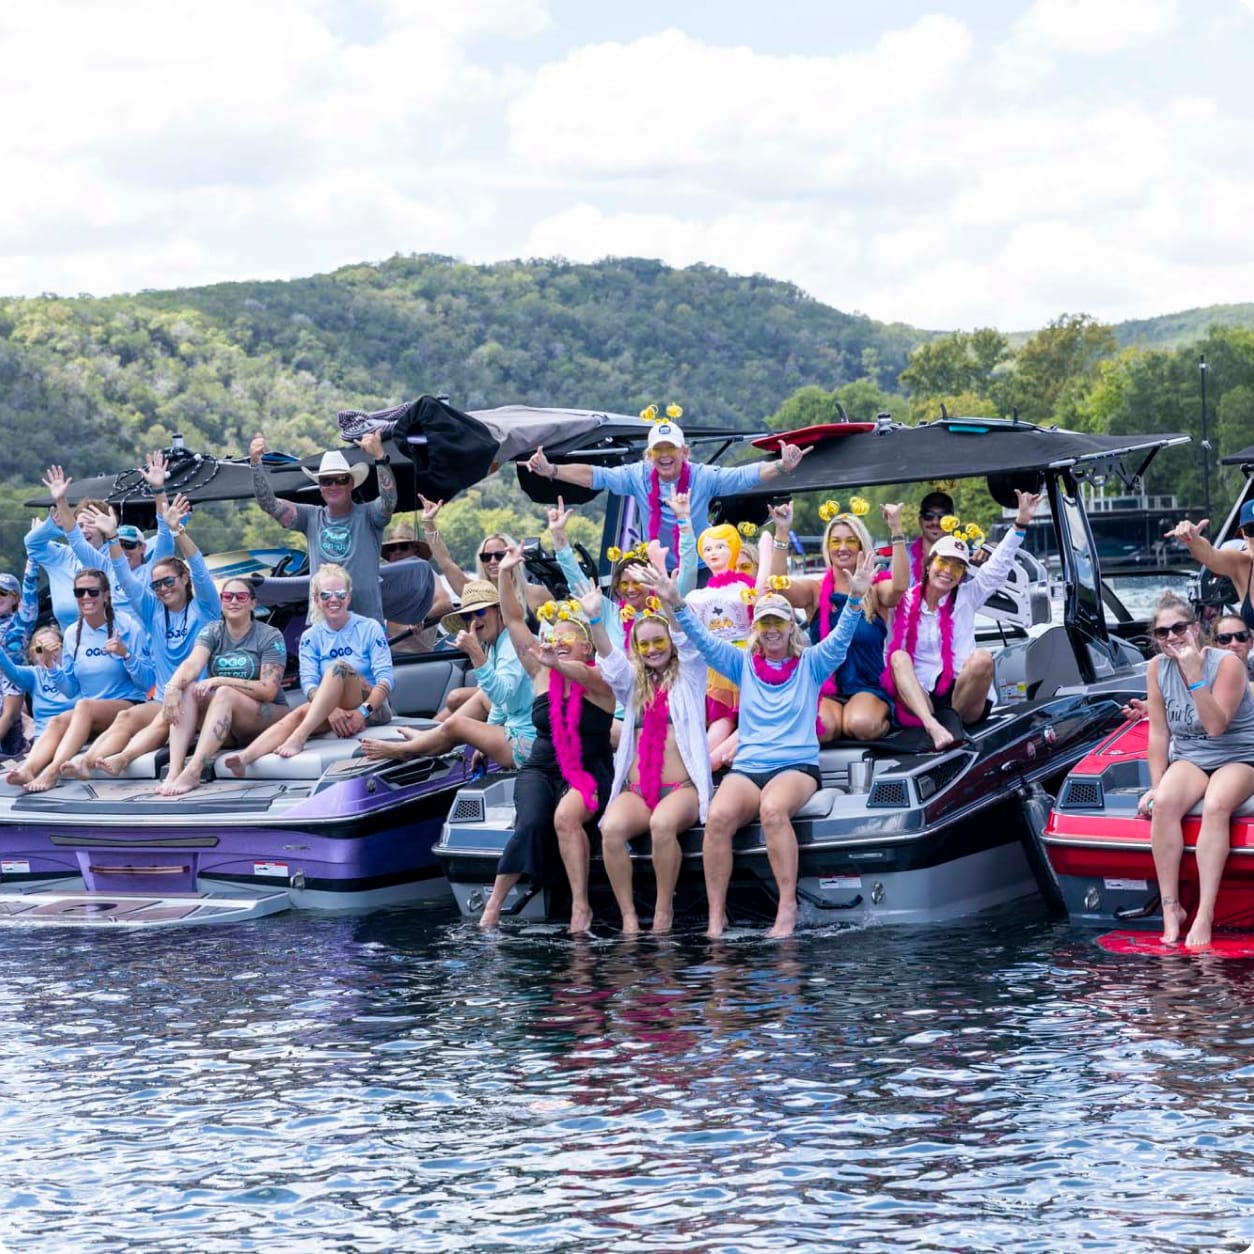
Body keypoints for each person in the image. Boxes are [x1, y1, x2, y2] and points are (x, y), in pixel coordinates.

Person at [650, 547, 875, 939]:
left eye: (778, 622)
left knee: (773, 809)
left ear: (791, 627)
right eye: (764, 623)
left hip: (796, 767)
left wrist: (855, 599)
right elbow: (701, 639)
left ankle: (786, 908)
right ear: (756, 628)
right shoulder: (741, 663)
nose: (771, 630)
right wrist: (675, 600)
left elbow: (840, 639)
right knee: (717, 817)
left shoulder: (812, 662)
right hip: (749, 766)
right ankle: (716, 918)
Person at [476, 553, 617, 934]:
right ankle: (493, 904)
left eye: (567, 639)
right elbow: (516, 618)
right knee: (532, 821)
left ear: (586, 647)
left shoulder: (600, 681)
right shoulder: (539, 670)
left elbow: (584, 677)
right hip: (541, 766)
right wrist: (506, 573)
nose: (556, 643)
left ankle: (581, 907)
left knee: (565, 817)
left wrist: (558, 664)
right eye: (552, 639)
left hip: (588, 769)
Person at [576, 581, 712, 934]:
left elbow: (686, 638)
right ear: (636, 649)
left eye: (659, 641)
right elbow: (609, 659)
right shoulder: (633, 685)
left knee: (662, 826)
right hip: (637, 790)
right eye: (644, 644)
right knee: (611, 829)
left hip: (680, 788)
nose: (653, 649)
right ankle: (629, 917)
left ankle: (663, 911)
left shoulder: (691, 675)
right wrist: (594, 618)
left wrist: (669, 598)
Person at [68, 497, 222, 777]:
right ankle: (87, 762)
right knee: (126, 717)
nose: (162, 589)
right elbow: (123, 576)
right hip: (163, 699)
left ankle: (123, 758)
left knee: (166, 718)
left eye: (168, 582)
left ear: (184, 580)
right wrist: (112, 537)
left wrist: (178, 532)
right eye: (156, 585)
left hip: (199, 699)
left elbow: (198, 567)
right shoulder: (152, 612)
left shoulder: (206, 608)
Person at [1135, 593, 1254, 948]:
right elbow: (1158, 733)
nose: (1172, 636)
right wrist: (1157, 787)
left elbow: (1216, 725)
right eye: (1162, 632)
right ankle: (1172, 909)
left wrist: (1193, 675)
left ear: (1197, 628)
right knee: (1166, 804)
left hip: (1239, 754)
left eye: (1179, 628)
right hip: (1190, 755)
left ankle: (1205, 913)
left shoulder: (1228, 664)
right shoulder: (1156, 668)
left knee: (1217, 804)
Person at [884, 491, 1043, 752]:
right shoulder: (904, 599)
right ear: (928, 565)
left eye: (957, 567)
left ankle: (950, 727)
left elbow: (998, 566)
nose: (948, 571)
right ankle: (933, 727)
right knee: (898, 657)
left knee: (982, 658)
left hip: (963, 696)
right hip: (923, 698)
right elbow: (873, 599)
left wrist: (1021, 522)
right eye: (943, 563)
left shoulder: (968, 595)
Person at [525, 416, 810, 559]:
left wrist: (782, 467)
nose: (664, 455)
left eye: (670, 449)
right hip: (658, 568)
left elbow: (741, 477)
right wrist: (552, 470)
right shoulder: (637, 475)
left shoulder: (702, 476)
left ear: (684, 452)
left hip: (700, 566)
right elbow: (596, 476)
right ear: (649, 455)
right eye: (657, 450)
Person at [223, 565, 393, 774]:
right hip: (334, 708)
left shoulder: (369, 627)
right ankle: (245, 758)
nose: (334, 599)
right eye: (326, 594)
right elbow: (309, 684)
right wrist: (330, 710)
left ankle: (298, 737)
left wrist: (361, 713)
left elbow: (385, 681)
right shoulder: (310, 637)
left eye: (340, 593)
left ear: (348, 597)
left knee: (338, 668)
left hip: (372, 708)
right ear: (316, 598)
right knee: (301, 712)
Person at [764, 500, 908, 741]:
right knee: (824, 728)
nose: (843, 547)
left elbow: (901, 585)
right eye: (836, 541)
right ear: (827, 547)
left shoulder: (875, 589)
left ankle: (886, 723)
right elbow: (778, 587)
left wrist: (896, 529)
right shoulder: (816, 590)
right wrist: (781, 531)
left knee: (861, 724)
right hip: (826, 689)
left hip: (867, 687)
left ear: (861, 545)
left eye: (850, 540)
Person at [361, 580, 535, 769]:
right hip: (517, 730)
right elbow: (499, 705)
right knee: (479, 698)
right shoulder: (496, 644)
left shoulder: (510, 642)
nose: (475, 620)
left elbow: (501, 694)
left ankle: (406, 749)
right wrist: (485, 741)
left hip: (530, 743)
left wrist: (475, 653)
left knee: (456, 724)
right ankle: (427, 739)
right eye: (469, 616)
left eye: (481, 612)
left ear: (499, 611)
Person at [9, 569, 151, 792]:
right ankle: (29, 767)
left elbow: (146, 683)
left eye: (92, 592)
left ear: (105, 595)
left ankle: (52, 771)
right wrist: (50, 666)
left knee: (83, 706)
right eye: (79, 592)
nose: (85, 597)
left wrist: (126, 654)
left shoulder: (128, 627)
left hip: (128, 704)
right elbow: (70, 689)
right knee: (56, 721)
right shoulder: (74, 632)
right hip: (90, 712)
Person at [151, 578, 289, 796]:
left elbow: (268, 690)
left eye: (241, 596)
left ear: (253, 603)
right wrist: (173, 687)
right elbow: (193, 663)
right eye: (227, 596)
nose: (233, 601)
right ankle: (174, 770)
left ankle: (194, 771)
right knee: (187, 689)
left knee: (224, 692)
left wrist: (221, 680)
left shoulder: (269, 635)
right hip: (227, 722)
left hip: (266, 717)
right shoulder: (213, 631)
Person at [249, 430, 396, 627]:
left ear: (351, 482)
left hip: (366, 625)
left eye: (340, 480)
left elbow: (389, 502)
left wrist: (380, 458)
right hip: (322, 626)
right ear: (320, 486)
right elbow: (269, 504)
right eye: (327, 481)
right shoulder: (310, 516)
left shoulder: (369, 514)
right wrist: (256, 464)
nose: (333, 485)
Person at [682, 518, 756, 768]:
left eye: (721, 547)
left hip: (746, 661)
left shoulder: (746, 588)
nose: (714, 553)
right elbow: (679, 620)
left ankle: (709, 762)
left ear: (733, 549)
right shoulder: (698, 596)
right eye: (709, 549)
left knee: (748, 716)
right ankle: (699, 763)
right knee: (719, 723)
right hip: (715, 668)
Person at [0, 627, 75, 775]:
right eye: (40, 649)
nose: (47, 653)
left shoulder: (75, 672)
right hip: (42, 740)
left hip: (74, 736)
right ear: (32, 655)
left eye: (54, 647)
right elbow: (10, 670)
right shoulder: (33, 674)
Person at [381, 520, 452, 653]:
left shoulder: (425, 573)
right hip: (387, 656)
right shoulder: (385, 580)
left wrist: (420, 618)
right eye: (392, 548)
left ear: (416, 551)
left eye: (403, 547)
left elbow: (446, 604)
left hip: (415, 659)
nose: (397, 552)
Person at [905, 490, 955, 583]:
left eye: (942, 517)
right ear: (920, 521)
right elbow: (892, 592)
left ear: (952, 523)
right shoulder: (904, 556)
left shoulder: (961, 556)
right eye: (929, 516)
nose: (935, 522)